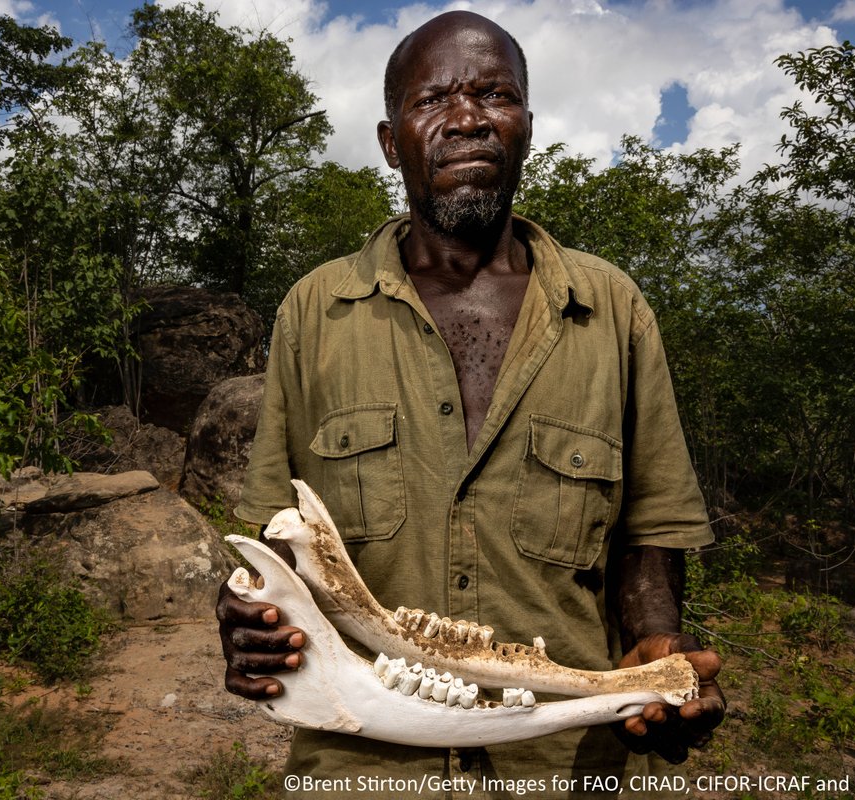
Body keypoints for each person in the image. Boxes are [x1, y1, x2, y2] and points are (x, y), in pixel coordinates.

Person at [216, 10, 724, 798]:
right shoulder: (314, 312)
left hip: (563, 764)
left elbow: (651, 533)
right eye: (432, 100)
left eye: (495, 95)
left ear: (526, 127)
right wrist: (250, 616)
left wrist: (656, 646)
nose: (467, 119)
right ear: (392, 142)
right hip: (360, 765)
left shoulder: (612, 308)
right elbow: (279, 538)